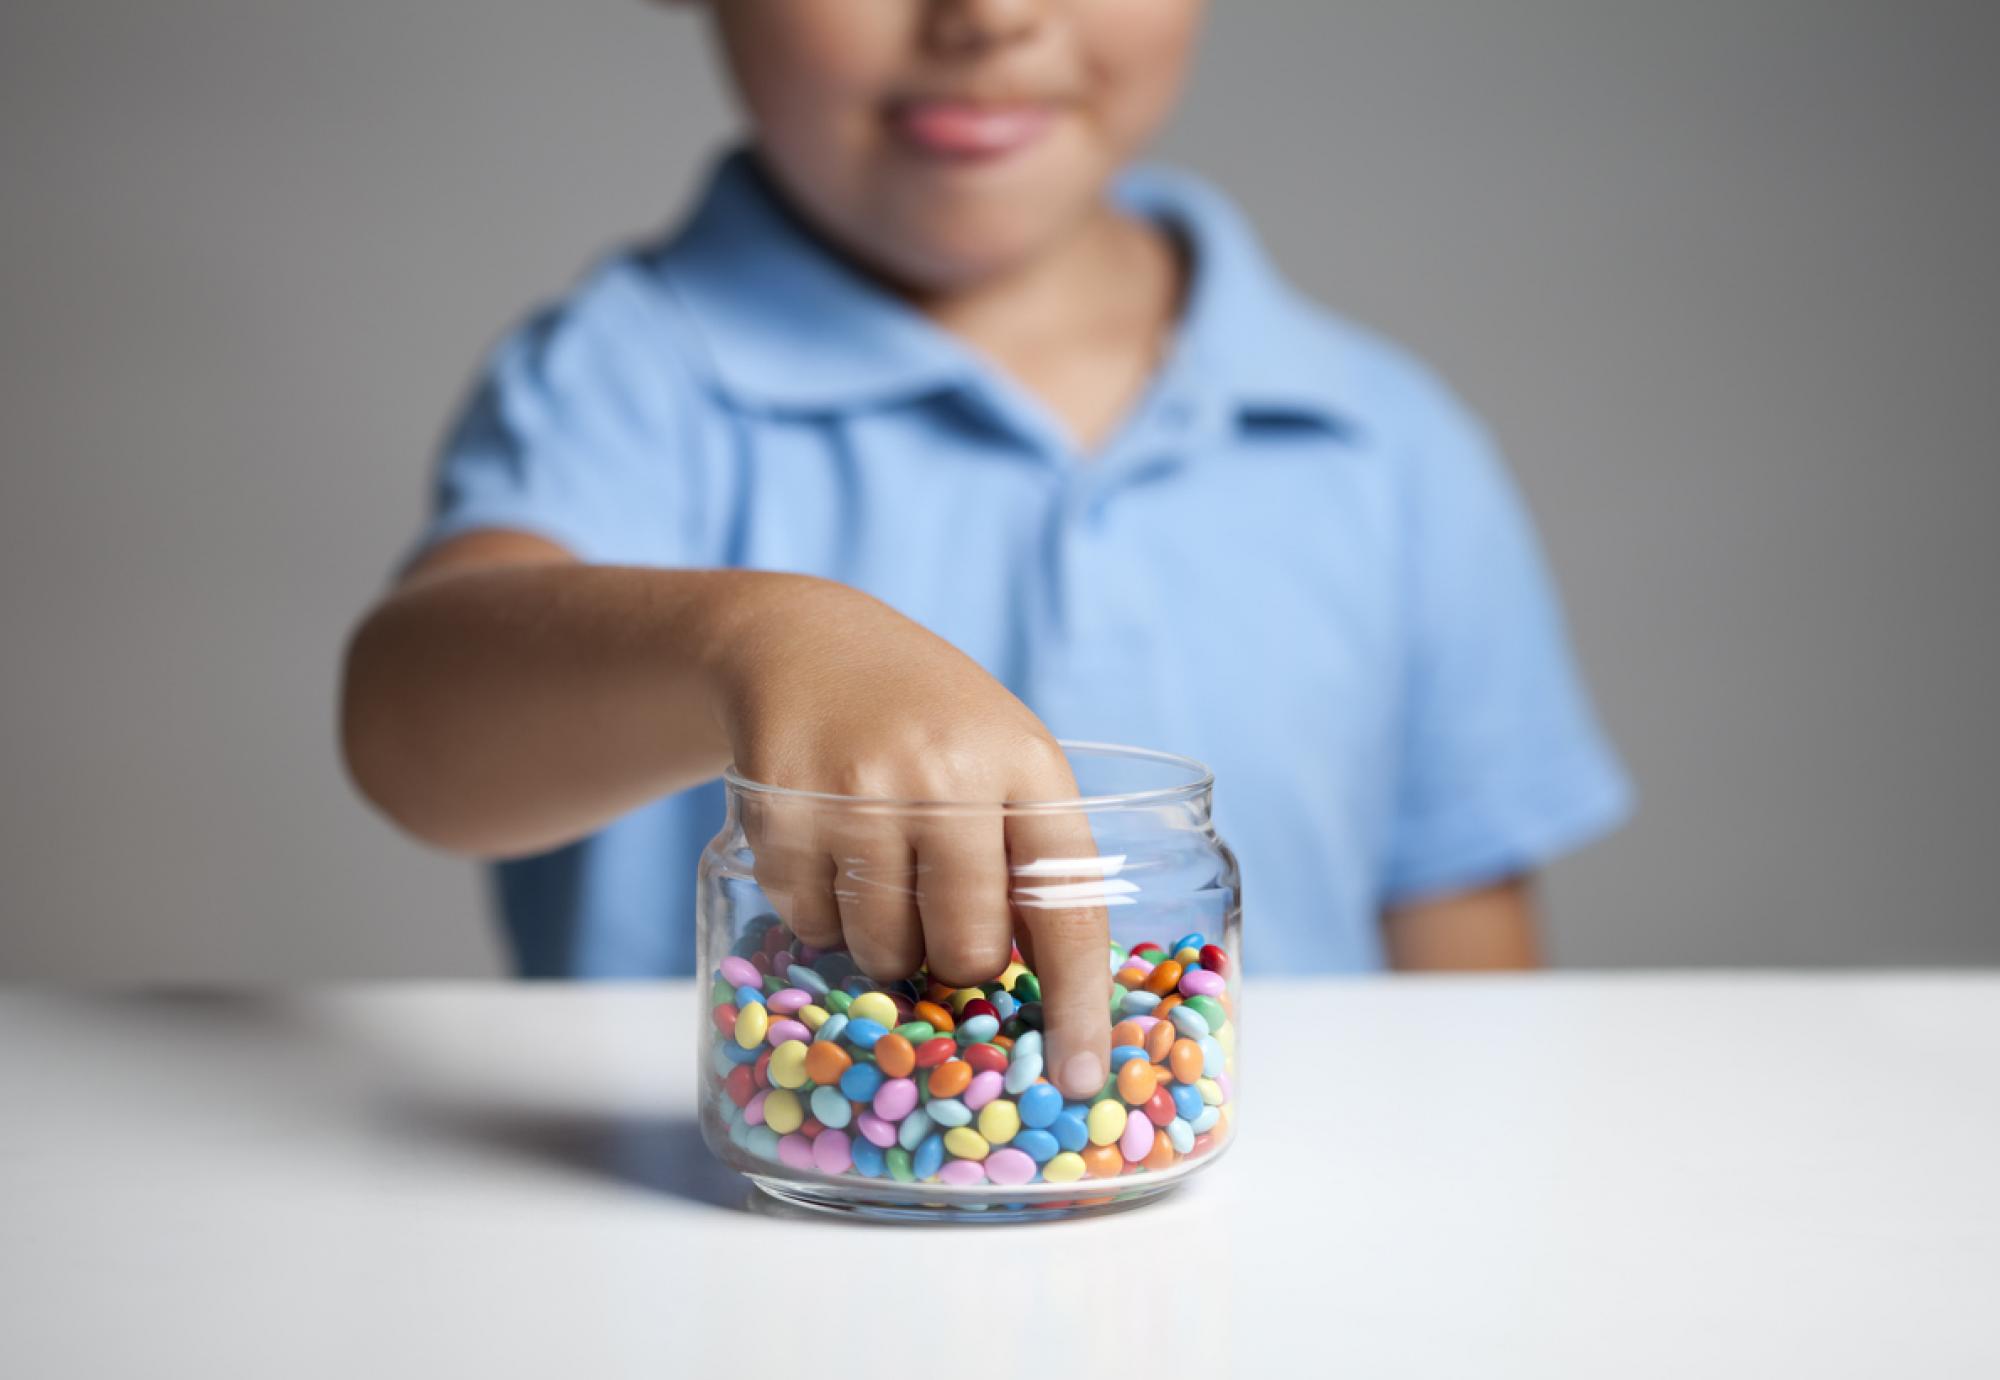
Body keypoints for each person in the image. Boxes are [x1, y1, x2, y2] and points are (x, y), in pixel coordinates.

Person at [340, 0, 1630, 1098]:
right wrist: (756, 641)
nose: (989, 13)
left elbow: (1478, 1003)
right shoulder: (628, 385)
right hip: (744, 1251)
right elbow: (409, 720)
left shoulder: (1375, 437)